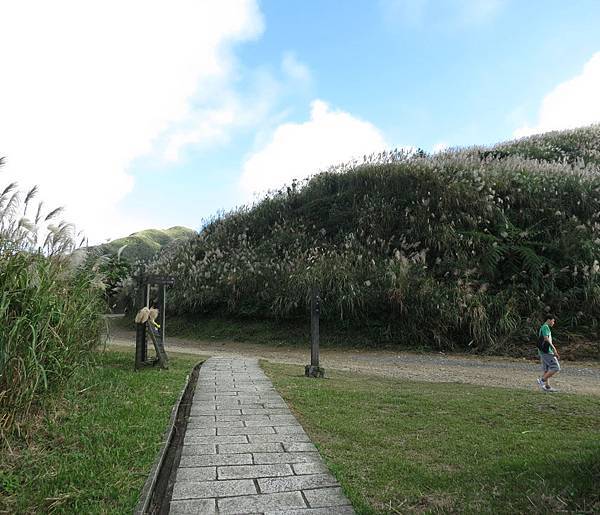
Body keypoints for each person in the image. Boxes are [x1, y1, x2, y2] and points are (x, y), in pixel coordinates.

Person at [536, 315, 560, 392]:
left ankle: (547, 387)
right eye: (553, 321)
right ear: (549, 320)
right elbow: (546, 339)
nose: (553, 323)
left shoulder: (544, 327)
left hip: (542, 351)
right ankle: (542, 381)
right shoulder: (545, 327)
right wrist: (554, 349)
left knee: (546, 369)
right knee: (556, 367)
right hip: (546, 351)